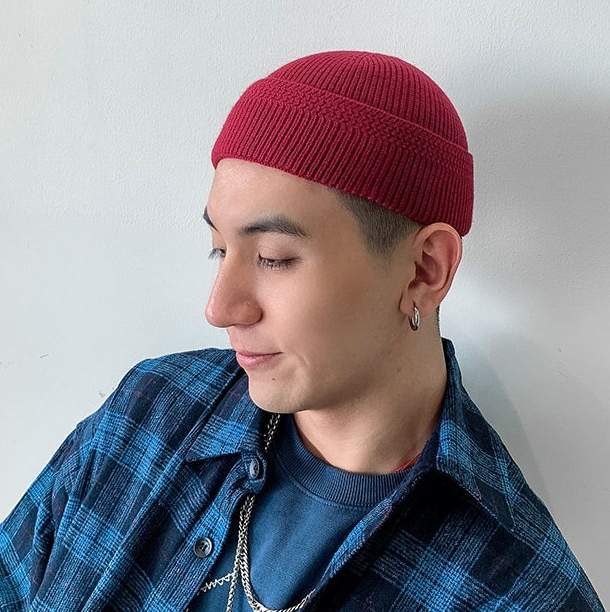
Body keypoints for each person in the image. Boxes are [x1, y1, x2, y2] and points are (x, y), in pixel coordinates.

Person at [0, 51, 604, 612]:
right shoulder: (149, 413)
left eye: (274, 258)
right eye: (219, 250)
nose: (220, 309)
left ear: (425, 270)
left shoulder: (517, 590)